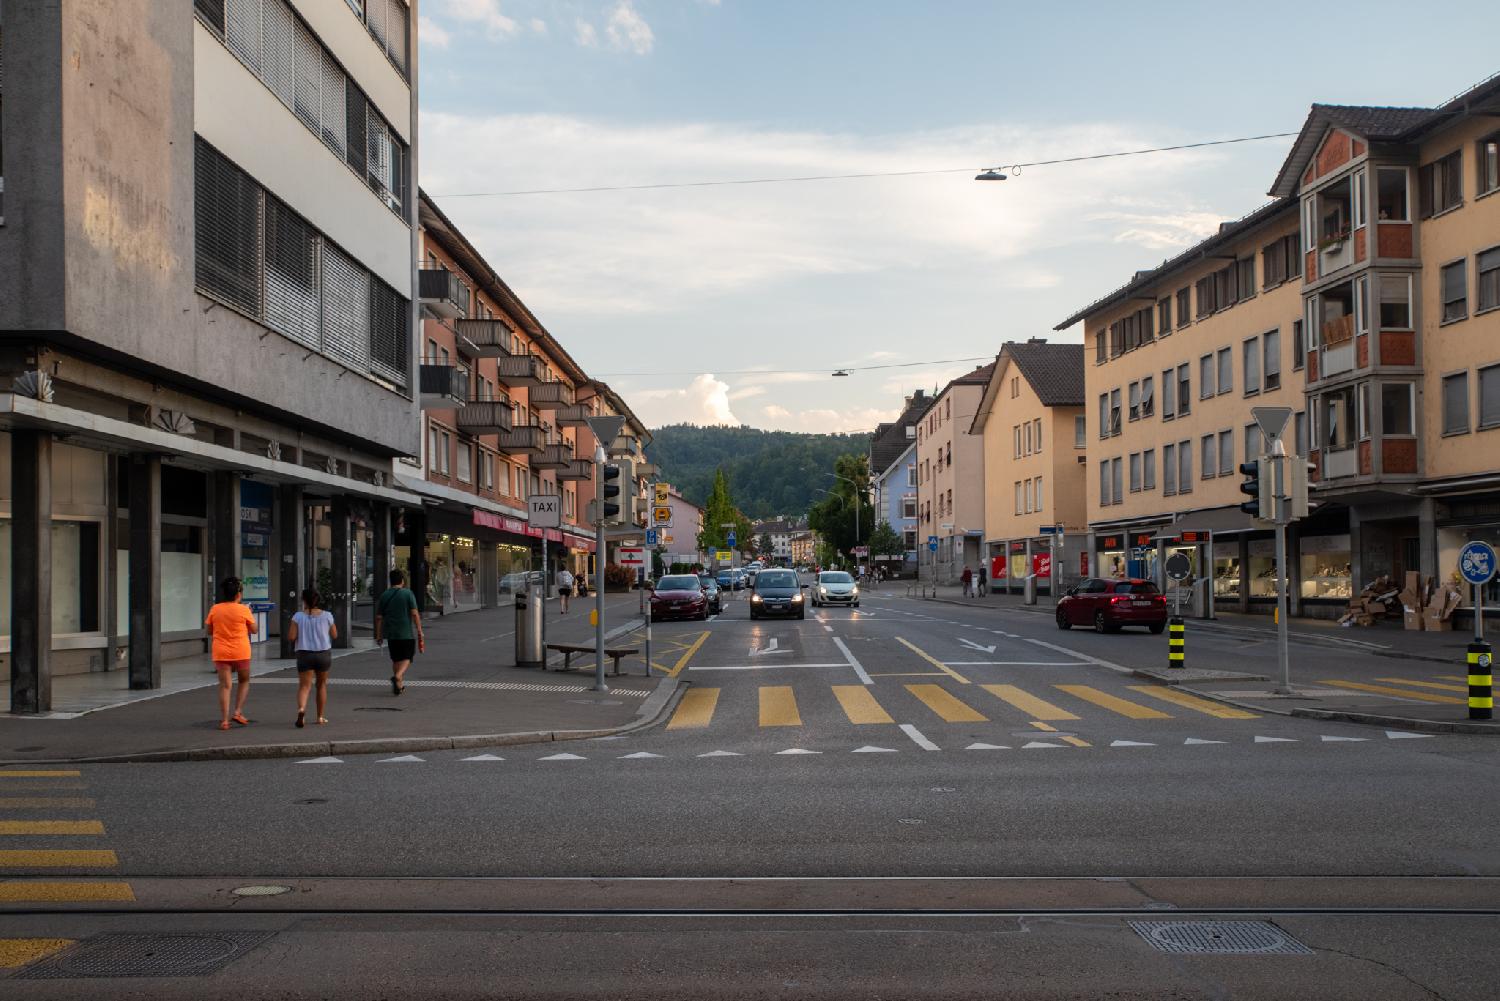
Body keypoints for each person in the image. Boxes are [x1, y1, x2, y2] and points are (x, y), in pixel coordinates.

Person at [205, 576, 257, 731]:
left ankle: (224, 720)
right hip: (241, 650)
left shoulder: (215, 609)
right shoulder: (244, 610)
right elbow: (254, 630)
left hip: (221, 651)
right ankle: (238, 712)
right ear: (238, 595)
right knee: (244, 681)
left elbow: (209, 631)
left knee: (225, 686)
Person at [288, 588, 337, 728]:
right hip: (323, 654)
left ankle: (302, 710)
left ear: (304, 601)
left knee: (304, 686)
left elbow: (291, 637)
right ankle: (320, 717)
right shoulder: (327, 615)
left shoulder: (297, 616)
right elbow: (334, 635)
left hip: (304, 654)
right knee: (321, 685)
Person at [374, 568, 424, 695]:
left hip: (391, 634)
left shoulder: (385, 595)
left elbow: (379, 618)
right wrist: (419, 630)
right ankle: (398, 676)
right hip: (405, 632)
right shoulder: (408, 594)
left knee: (396, 659)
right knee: (407, 657)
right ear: (402, 580)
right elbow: (414, 613)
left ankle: (399, 685)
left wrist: (379, 635)